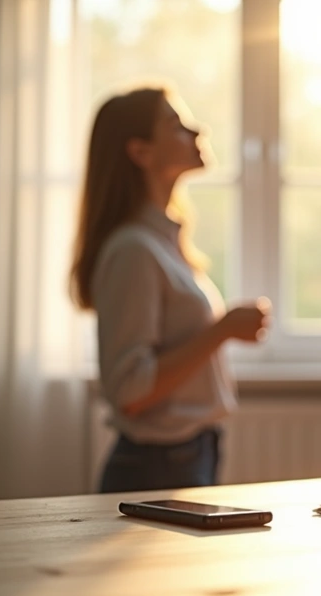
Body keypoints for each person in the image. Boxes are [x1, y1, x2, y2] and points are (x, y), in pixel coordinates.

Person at [70, 86, 269, 493]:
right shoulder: (133, 250)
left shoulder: (162, 242)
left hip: (185, 456)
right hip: (157, 465)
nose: (197, 131)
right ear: (141, 151)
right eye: (176, 125)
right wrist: (223, 329)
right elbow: (129, 392)